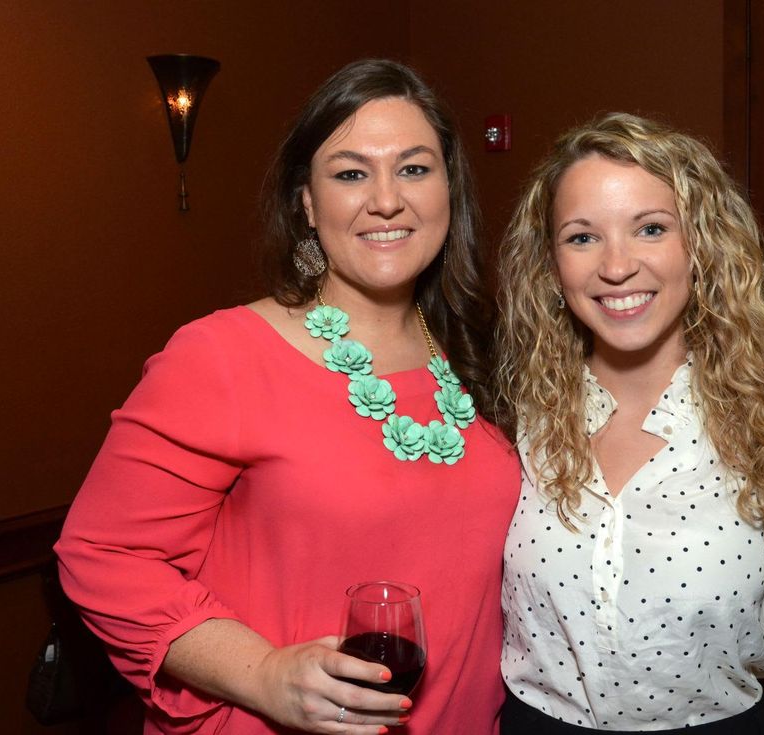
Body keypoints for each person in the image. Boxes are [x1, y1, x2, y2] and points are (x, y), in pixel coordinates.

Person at [55, 59, 520, 735]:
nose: (386, 200)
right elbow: (102, 554)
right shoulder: (223, 356)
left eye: (415, 169)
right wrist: (263, 674)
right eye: (351, 174)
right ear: (306, 202)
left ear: (449, 188)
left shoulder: (484, 351)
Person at [492, 113, 764, 734]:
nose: (616, 266)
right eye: (582, 237)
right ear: (550, 264)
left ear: (701, 245)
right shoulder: (515, 419)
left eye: (650, 228)